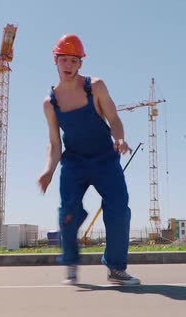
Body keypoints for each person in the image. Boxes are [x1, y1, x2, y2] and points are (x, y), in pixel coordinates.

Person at [37, 34, 140, 285]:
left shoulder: (95, 87)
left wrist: (119, 139)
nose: (69, 65)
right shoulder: (50, 102)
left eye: (74, 60)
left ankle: (115, 268)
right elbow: (54, 142)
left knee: (118, 209)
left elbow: (114, 120)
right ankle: (71, 263)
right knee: (69, 212)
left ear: (80, 63)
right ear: (55, 61)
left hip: (106, 159)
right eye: (64, 60)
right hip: (74, 163)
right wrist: (49, 170)